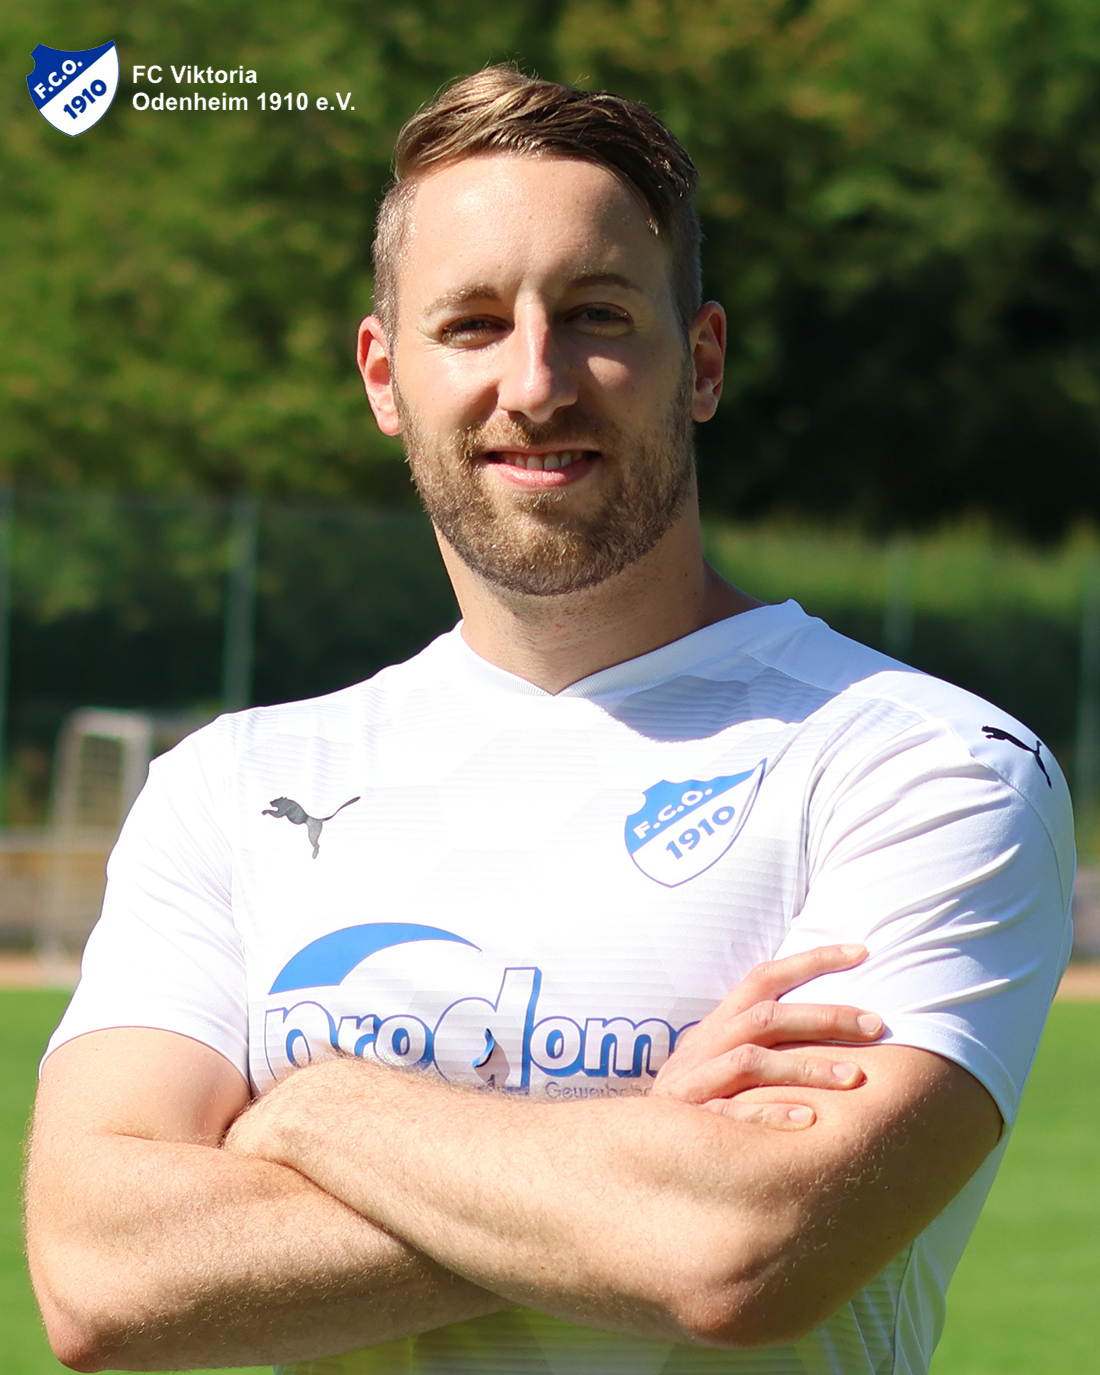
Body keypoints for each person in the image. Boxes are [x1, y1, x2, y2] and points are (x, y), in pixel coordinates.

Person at [26, 66, 1073, 1375]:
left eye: (596, 316)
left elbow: (740, 1253)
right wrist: (641, 1158)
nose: (534, 382)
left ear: (701, 361)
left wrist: (311, 1112)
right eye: (471, 324)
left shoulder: (921, 763)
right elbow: (100, 1276)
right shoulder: (232, 786)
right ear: (383, 375)